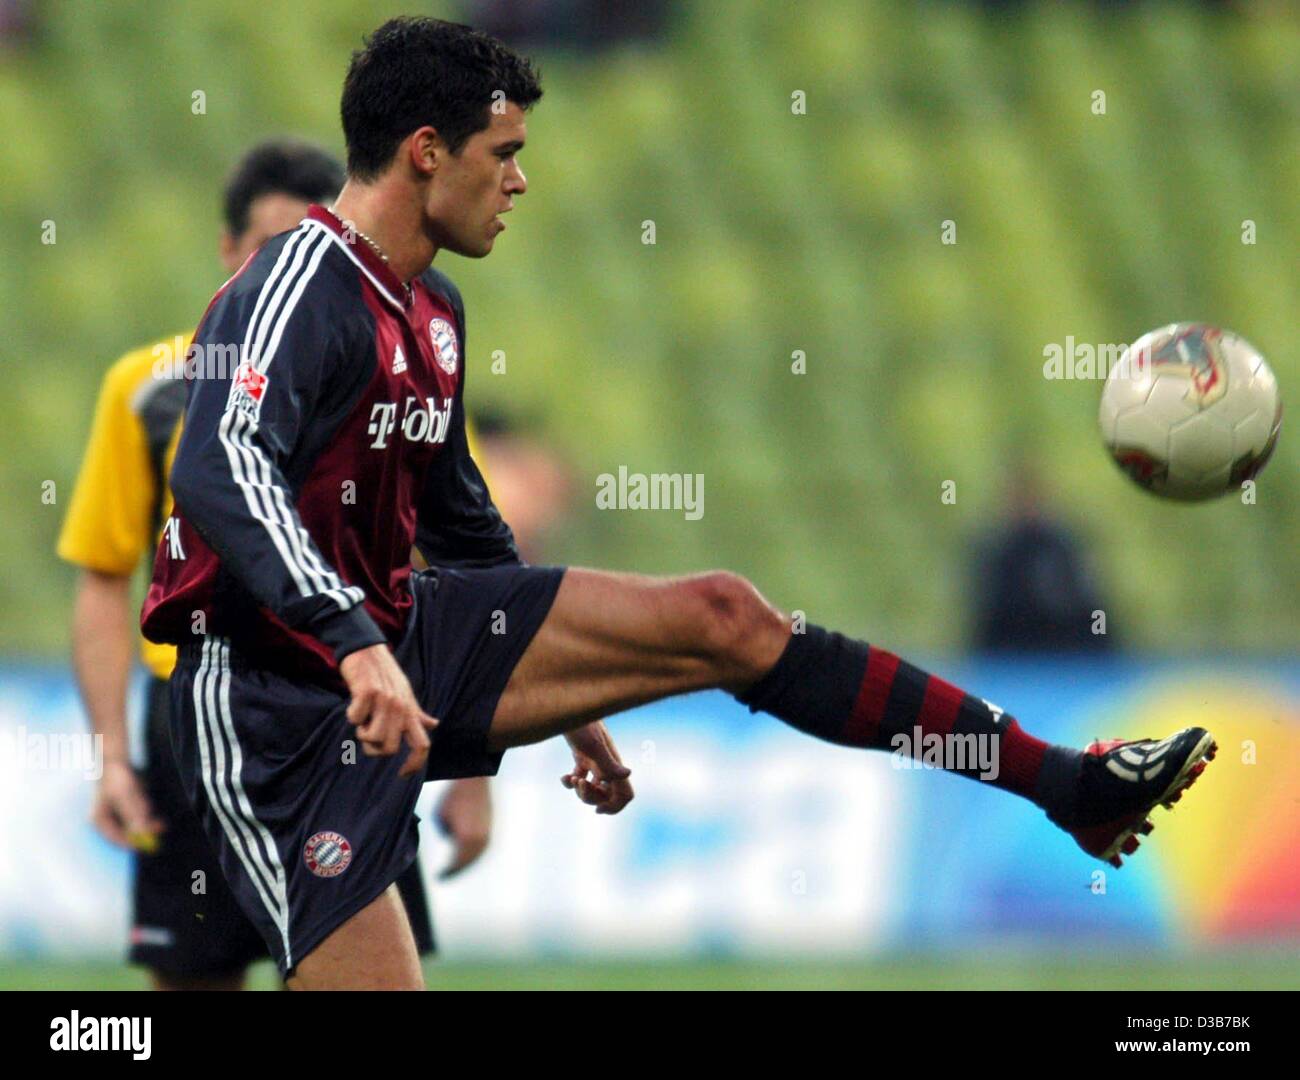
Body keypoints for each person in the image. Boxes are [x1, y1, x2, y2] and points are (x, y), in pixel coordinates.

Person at [141, 17, 1217, 991]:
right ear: (427, 151)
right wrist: (347, 641)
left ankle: (1067, 785)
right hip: (269, 701)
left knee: (725, 616)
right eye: (503, 155)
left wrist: (572, 694)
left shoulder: (433, 309)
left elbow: (461, 524)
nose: (520, 183)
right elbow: (218, 462)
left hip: (399, 640)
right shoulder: (295, 286)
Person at [60, 138, 489, 990]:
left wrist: (474, 771)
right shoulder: (151, 390)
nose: (290, 273)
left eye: (308, 248)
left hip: (362, 714)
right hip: (205, 722)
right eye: (266, 249)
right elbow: (105, 582)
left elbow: (460, 562)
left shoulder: (395, 364)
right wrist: (112, 757)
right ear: (228, 254)